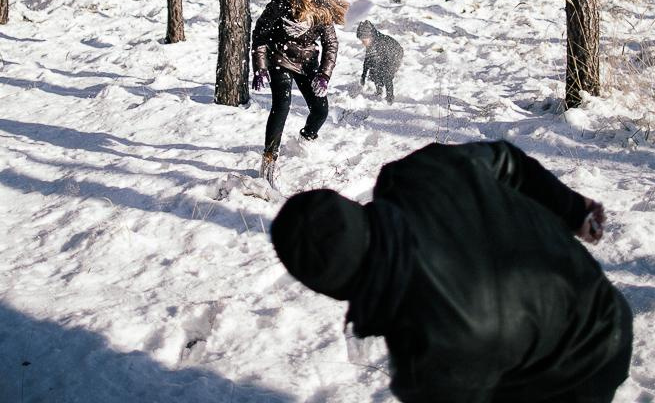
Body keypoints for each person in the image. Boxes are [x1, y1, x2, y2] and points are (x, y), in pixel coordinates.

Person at [270, 140, 632, 403]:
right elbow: (507, 161)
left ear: (329, 287)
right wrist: (572, 209)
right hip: (601, 301)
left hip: (577, 373)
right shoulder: (414, 174)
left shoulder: (427, 356)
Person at [252, 0, 348, 184]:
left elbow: (331, 44)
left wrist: (324, 75)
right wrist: (261, 67)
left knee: (321, 110)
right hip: (280, 59)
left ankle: (304, 141)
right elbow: (260, 37)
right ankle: (269, 158)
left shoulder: (322, 9)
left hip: (307, 64)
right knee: (281, 106)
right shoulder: (279, 5)